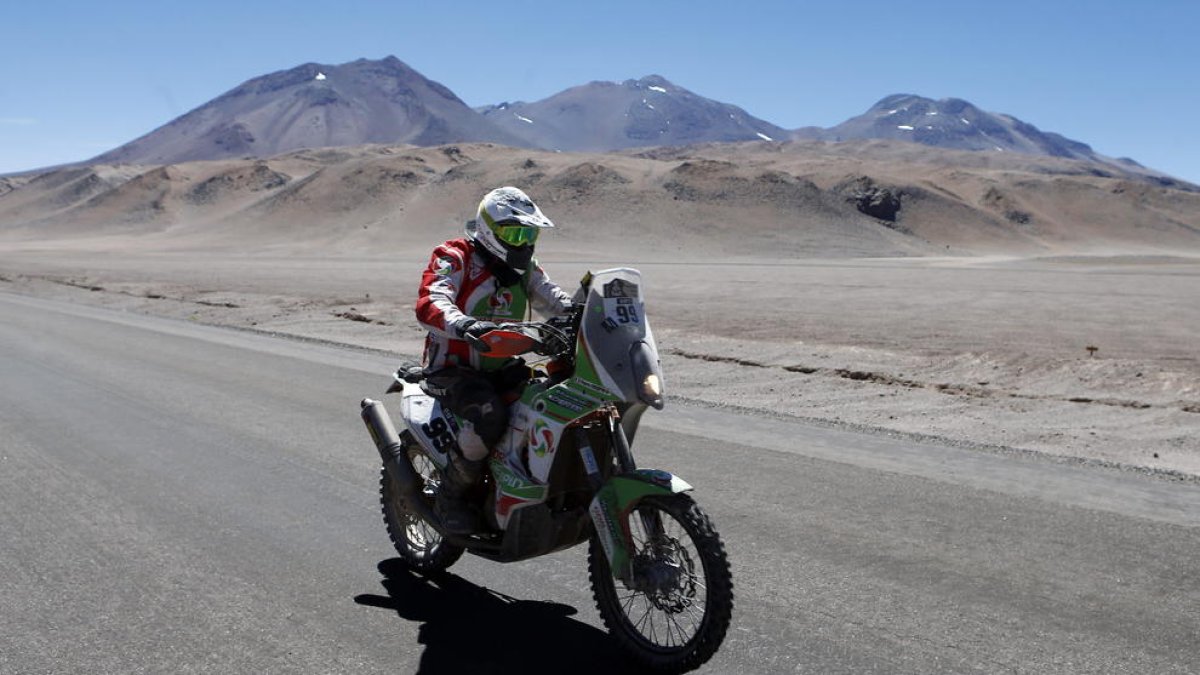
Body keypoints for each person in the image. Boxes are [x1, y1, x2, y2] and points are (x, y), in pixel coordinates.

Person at [414, 186, 573, 533]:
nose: (523, 242)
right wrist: (463, 324)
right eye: (515, 233)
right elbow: (431, 299)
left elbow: (555, 298)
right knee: (489, 415)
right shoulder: (456, 256)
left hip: (503, 367)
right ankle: (450, 496)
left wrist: (583, 312)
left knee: (551, 400)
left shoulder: (525, 269)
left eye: (529, 234)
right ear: (488, 231)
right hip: (455, 371)